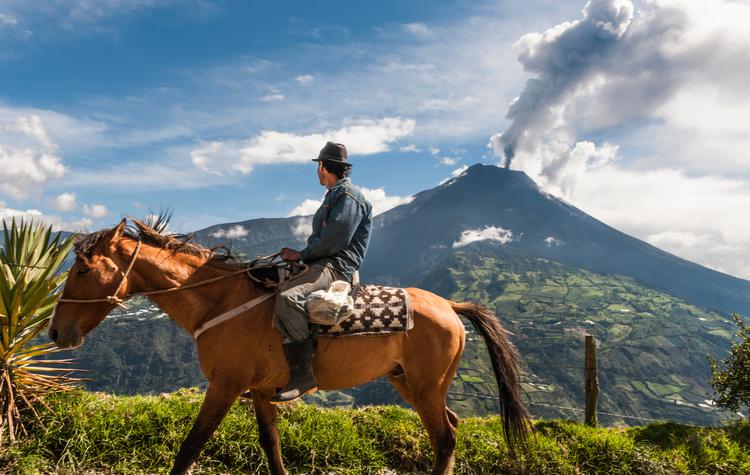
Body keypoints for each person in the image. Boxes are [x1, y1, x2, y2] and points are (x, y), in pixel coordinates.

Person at [271, 141, 373, 404]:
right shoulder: (336, 194)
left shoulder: (349, 195)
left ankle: (304, 376)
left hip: (336, 266)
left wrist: (301, 255)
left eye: (318, 166)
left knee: (287, 298)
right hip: (322, 262)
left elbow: (334, 240)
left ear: (322, 166)